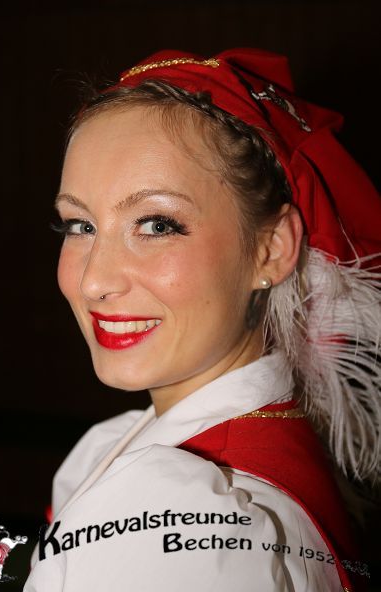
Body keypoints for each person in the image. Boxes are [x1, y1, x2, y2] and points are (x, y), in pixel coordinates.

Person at [24, 49, 380, 591]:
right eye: (79, 226)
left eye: (157, 225)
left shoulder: (166, 522)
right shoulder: (260, 448)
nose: (94, 280)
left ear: (271, 249)